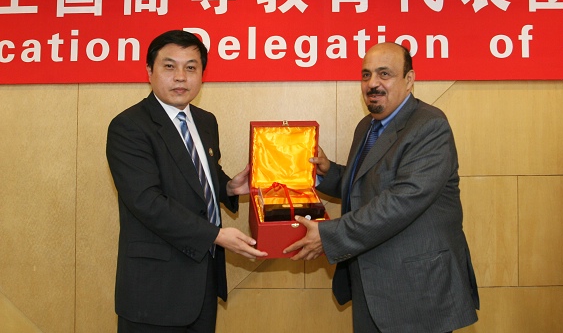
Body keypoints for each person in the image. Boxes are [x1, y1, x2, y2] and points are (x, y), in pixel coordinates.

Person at [284, 42, 479, 333]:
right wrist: (329, 173)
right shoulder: (367, 126)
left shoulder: (429, 126)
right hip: (370, 284)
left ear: (409, 80)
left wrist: (329, 235)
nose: (372, 83)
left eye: (384, 74)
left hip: (418, 292)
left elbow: (402, 200)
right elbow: (369, 185)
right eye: (366, 75)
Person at [106, 29, 267, 333]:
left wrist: (228, 187)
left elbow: (197, 177)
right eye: (169, 66)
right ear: (149, 71)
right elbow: (147, 202)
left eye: (191, 67)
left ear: (202, 74)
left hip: (203, 282)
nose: (181, 77)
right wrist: (215, 235)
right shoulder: (129, 127)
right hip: (154, 290)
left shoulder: (205, 121)